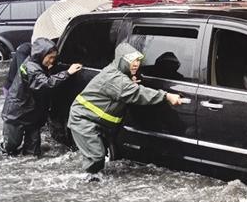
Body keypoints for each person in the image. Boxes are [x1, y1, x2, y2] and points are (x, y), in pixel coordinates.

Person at [67, 42, 183, 175]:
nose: (136, 64)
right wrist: (166, 96)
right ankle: (86, 181)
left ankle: (94, 177)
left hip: (96, 122)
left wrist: (129, 81)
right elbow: (137, 93)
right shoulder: (115, 78)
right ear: (122, 61)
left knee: (99, 157)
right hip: (83, 120)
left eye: (138, 60)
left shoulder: (119, 74)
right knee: (96, 157)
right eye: (131, 61)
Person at [0, 38, 82, 156]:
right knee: (10, 146)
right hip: (16, 114)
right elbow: (46, 84)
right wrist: (67, 72)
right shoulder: (31, 67)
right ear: (41, 54)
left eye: (54, 58)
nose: (52, 61)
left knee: (33, 151)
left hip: (32, 114)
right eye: (50, 57)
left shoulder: (37, 64)